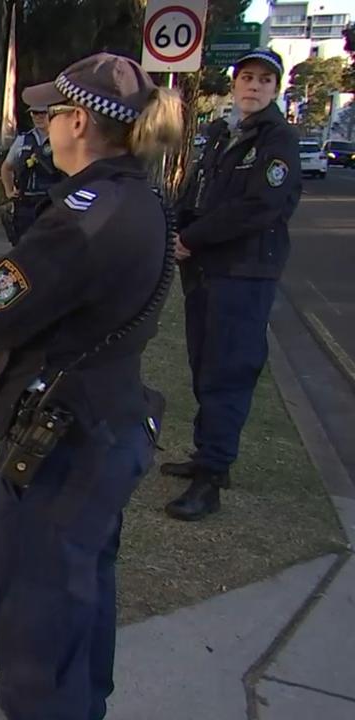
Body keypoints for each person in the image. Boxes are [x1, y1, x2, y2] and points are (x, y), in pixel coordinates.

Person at [0, 53, 183, 719]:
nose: (45, 125)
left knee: (39, 616)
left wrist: (28, 223)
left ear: (78, 120)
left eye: (50, 113)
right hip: (104, 428)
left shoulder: (85, 212)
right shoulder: (137, 194)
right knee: (80, 603)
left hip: (63, 449)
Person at [163, 48, 301, 522]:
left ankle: (212, 477)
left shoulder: (277, 141)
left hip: (243, 275)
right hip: (204, 271)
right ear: (235, 83)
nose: (254, 86)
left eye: (265, 80)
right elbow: (193, 191)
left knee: (228, 372)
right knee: (204, 366)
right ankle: (206, 456)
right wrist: (176, 233)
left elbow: (258, 208)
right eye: (247, 77)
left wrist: (193, 237)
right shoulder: (220, 134)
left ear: (275, 89)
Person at [0, 100, 66, 245]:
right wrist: (9, 191)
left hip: (51, 202)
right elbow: (7, 167)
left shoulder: (62, 139)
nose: (38, 117)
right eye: (34, 113)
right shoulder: (23, 140)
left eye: (42, 113)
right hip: (26, 202)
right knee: (22, 246)